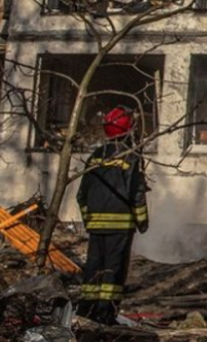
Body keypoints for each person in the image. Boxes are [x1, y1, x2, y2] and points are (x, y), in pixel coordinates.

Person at [76, 105, 149, 325]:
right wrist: (142, 221)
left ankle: (85, 312)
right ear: (129, 130)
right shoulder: (132, 158)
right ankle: (105, 315)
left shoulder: (95, 157)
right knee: (113, 272)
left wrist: (89, 220)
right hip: (120, 227)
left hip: (96, 226)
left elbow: (81, 195)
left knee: (93, 270)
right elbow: (137, 194)